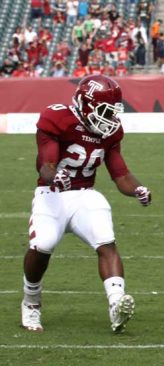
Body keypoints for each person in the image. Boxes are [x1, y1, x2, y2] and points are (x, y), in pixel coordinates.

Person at [21, 75, 151, 333]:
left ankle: (116, 304)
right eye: (105, 110)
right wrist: (55, 174)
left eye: (113, 112)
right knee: (42, 244)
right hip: (52, 193)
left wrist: (137, 189)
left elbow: (120, 174)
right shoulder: (57, 117)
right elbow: (45, 164)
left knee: (106, 241)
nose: (110, 118)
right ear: (86, 104)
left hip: (84, 194)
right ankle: (31, 301)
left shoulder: (111, 132)